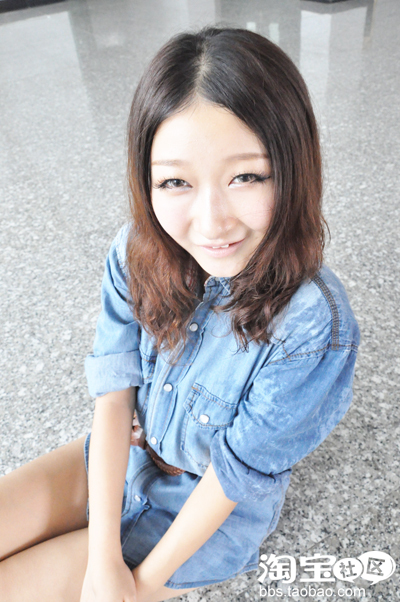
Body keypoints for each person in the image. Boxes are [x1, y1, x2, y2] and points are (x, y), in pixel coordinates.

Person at [0, 26, 360, 602]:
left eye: (246, 176)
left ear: (294, 166)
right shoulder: (134, 251)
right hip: (126, 454)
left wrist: (135, 587)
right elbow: (115, 394)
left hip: (208, 513)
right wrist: (101, 556)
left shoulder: (315, 324)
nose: (212, 221)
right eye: (175, 181)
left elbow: (233, 476)